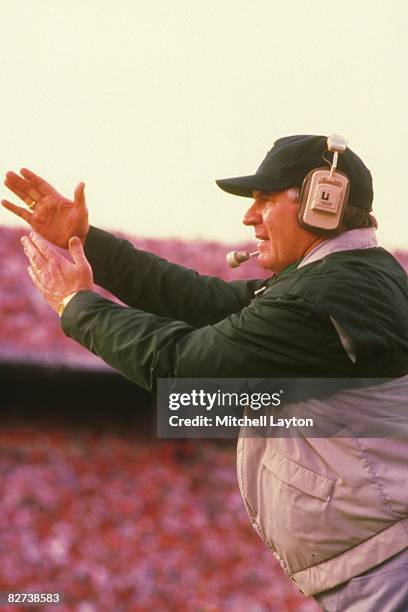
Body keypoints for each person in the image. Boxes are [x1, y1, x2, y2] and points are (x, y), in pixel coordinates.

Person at [2, 135, 408, 611]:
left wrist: (77, 305)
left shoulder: (321, 299)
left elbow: (184, 369)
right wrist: (88, 242)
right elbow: (206, 302)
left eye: (266, 200)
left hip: (388, 570)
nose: (249, 216)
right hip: (382, 560)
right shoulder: (345, 278)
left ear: (324, 202)